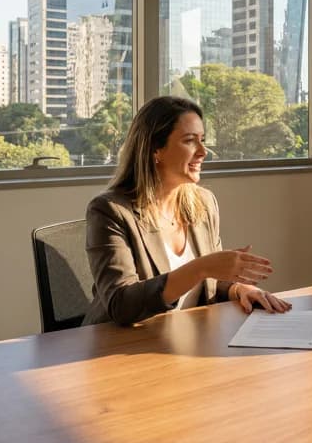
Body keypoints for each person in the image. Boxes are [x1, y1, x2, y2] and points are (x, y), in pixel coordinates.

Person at [83, 95, 292, 326]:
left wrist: (238, 289)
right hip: (119, 342)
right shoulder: (110, 211)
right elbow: (121, 304)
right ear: (155, 149)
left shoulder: (204, 202)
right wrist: (200, 268)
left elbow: (211, 282)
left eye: (202, 140)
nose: (203, 151)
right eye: (190, 141)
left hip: (185, 336)